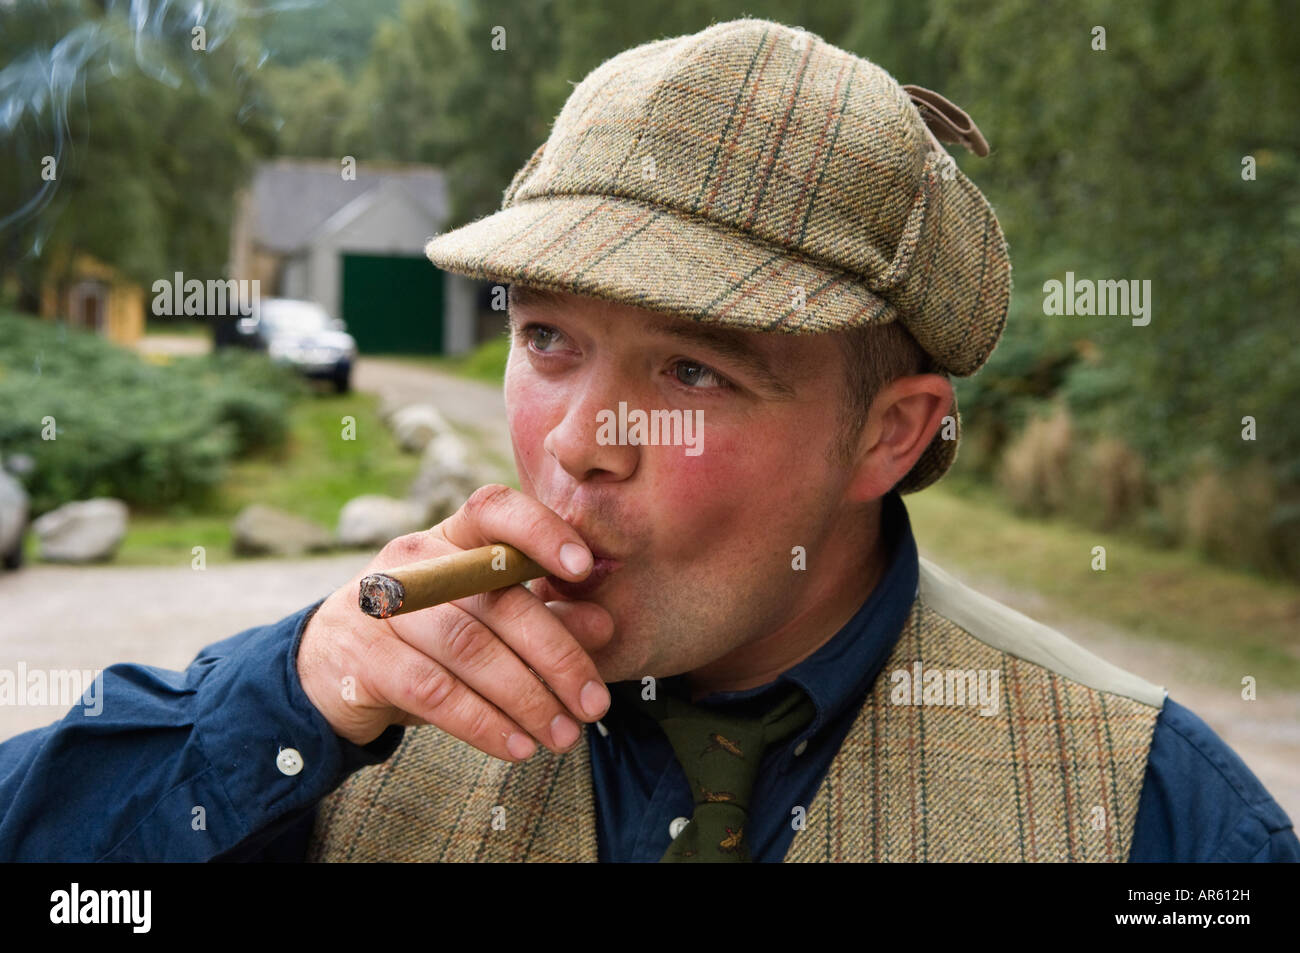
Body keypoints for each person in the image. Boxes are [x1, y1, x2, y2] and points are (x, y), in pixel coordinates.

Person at [1, 18, 1295, 863]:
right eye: (549, 339)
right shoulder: (341, 730)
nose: (574, 444)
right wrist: (291, 687)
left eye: (691, 367)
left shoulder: (1146, 808)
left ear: (887, 438)